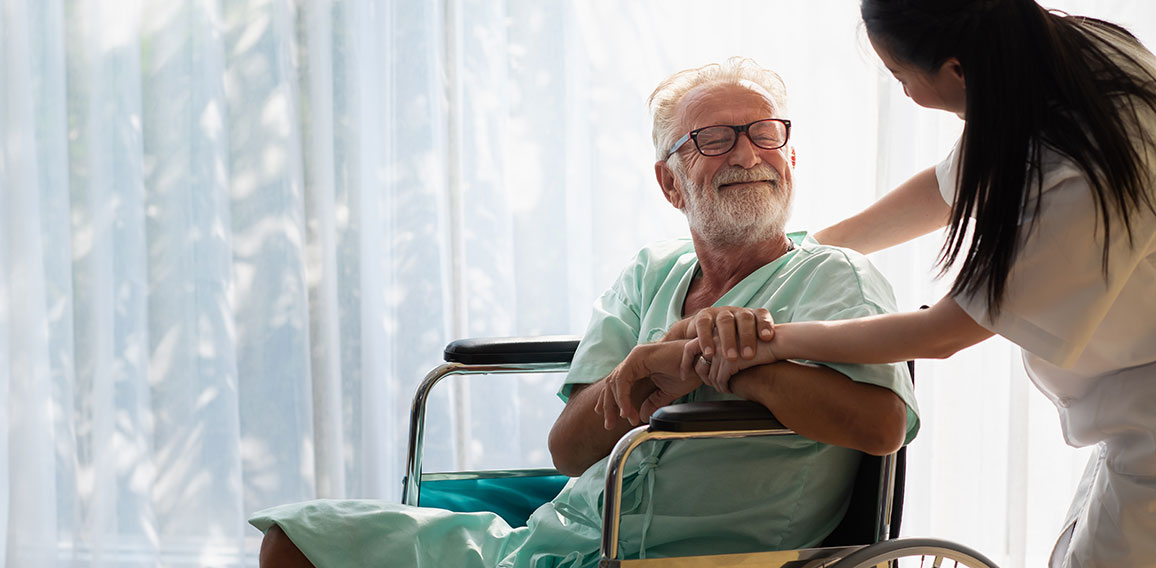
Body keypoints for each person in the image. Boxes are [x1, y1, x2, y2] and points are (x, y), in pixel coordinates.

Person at [249, 57, 919, 568]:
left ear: (791, 158)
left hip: (705, 554)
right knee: (297, 542)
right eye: (713, 139)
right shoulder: (649, 274)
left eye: (764, 135)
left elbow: (881, 425)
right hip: (563, 538)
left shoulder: (835, 277)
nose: (747, 154)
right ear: (669, 183)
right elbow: (569, 450)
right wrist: (651, 359)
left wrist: (712, 363)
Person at [604, 2, 1156, 567]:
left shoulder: (1082, 180)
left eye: (900, 77)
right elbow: (948, 187)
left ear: (958, 70)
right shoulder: (1048, 65)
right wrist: (799, 251)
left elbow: (939, 336)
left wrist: (759, 341)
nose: (908, 95)